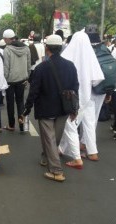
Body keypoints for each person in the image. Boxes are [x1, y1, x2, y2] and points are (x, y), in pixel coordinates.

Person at [22, 34, 79, 182]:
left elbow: (34, 90)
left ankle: (56, 171)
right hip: (63, 108)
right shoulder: (70, 65)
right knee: (55, 138)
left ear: (47, 49)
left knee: (49, 139)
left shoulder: (41, 68)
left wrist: (27, 108)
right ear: (60, 48)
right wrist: (74, 109)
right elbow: (75, 88)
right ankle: (46, 158)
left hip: (46, 108)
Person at [58, 31, 104, 167]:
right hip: (87, 96)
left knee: (69, 124)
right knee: (90, 125)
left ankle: (75, 156)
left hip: (70, 97)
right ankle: (92, 152)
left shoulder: (66, 55)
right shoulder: (91, 56)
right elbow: (98, 78)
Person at [2, 28, 31, 132]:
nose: (4, 41)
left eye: (4, 39)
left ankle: (11, 125)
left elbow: (6, 67)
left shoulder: (7, 49)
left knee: (10, 103)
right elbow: (29, 64)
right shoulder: (26, 48)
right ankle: (22, 126)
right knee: (20, 102)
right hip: (22, 79)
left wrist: (4, 80)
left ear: (7, 39)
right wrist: (27, 77)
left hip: (10, 80)